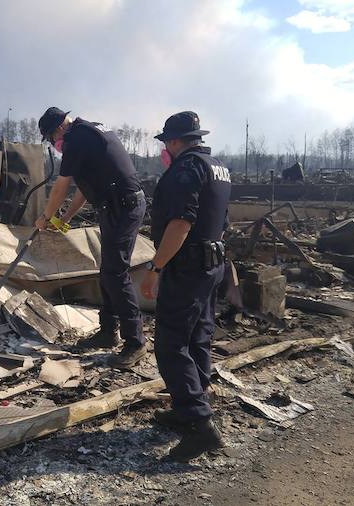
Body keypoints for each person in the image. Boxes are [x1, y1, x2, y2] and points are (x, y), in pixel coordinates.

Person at [140, 111, 231, 462]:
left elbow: (180, 223)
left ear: (175, 141)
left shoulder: (185, 169)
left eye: (166, 143)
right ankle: (191, 403)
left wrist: (156, 267)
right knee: (198, 337)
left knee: (171, 343)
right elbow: (220, 223)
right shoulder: (218, 167)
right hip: (211, 265)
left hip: (187, 266)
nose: (165, 150)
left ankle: (199, 427)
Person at [36, 106, 147, 369]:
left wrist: (45, 216)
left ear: (59, 129)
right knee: (108, 270)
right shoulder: (87, 133)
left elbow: (61, 186)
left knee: (115, 272)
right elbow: (84, 189)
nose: (54, 145)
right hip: (115, 206)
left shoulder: (77, 138)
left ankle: (136, 342)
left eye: (52, 139)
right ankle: (108, 332)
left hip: (124, 206)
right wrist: (64, 219)